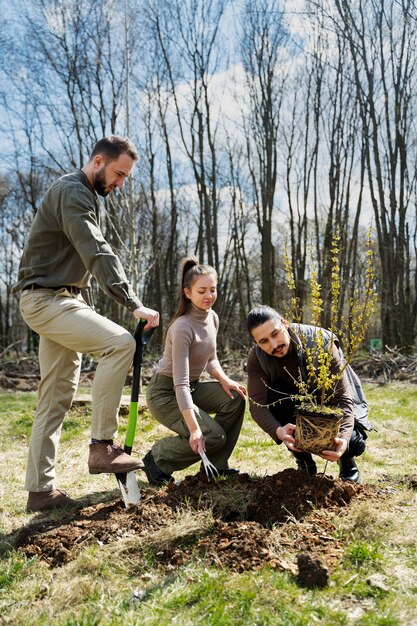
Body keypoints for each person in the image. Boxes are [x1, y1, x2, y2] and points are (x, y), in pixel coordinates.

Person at [13, 135, 160, 513]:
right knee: (120, 343)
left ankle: (40, 491)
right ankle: (102, 446)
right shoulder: (73, 192)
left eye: (126, 177)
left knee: (55, 398)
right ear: (98, 161)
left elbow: (82, 267)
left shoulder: (85, 196)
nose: (121, 183)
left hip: (61, 299)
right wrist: (133, 302)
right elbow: (96, 250)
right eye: (118, 173)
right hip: (46, 299)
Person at [142, 257, 246, 486]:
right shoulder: (182, 327)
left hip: (192, 387)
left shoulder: (213, 318)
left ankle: (215, 467)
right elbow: (179, 384)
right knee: (211, 435)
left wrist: (225, 379)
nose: (209, 295)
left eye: (212, 289)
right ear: (188, 293)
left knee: (235, 399)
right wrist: (195, 429)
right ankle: (157, 458)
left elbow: (211, 359)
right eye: (202, 291)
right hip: (166, 394)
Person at [246, 306, 371, 483]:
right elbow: (257, 404)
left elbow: (342, 399)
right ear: (256, 342)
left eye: (275, 334)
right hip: (296, 407)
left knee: (353, 441)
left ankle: (346, 462)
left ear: (284, 323)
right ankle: (304, 462)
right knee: (273, 400)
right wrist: (279, 431)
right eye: (264, 341)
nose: (274, 345)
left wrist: (343, 440)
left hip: (329, 401)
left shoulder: (320, 342)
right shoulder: (257, 357)